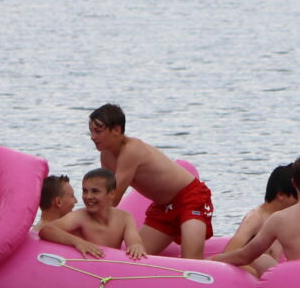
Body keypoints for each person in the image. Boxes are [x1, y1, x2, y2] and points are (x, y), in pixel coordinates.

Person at [87, 104, 215, 259]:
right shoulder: (106, 156)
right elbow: (103, 194)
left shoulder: (131, 150)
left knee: (192, 261)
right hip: (163, 208)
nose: (93, 137)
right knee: (134, 257)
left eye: (98, 131)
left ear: (116, 130)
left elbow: (112, 198)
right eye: (91, 131)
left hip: (190, 198)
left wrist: (83, 225)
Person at [214, 154, 300, 277]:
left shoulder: (279, 219)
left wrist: (213, 260)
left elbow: (245, 256)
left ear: (294, 183)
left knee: (263, 260)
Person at [39, 168, 149, 260]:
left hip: (110, 269)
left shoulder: (124, 218)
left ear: (111, 193)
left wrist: (136, 246)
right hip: (87, 269)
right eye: (85, 191)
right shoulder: (80, 216)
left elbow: (134, 241)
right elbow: (46, 230)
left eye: (95, 191)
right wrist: (78, 242)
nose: (88, 196)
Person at [223, 165, 297, 267]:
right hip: (255, 277)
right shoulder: (255, 219)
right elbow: (227, 255)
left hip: (270, 276)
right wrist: (258, 277)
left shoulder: (284, 219)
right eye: (298, 197)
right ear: (281, 195)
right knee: (264, 260)